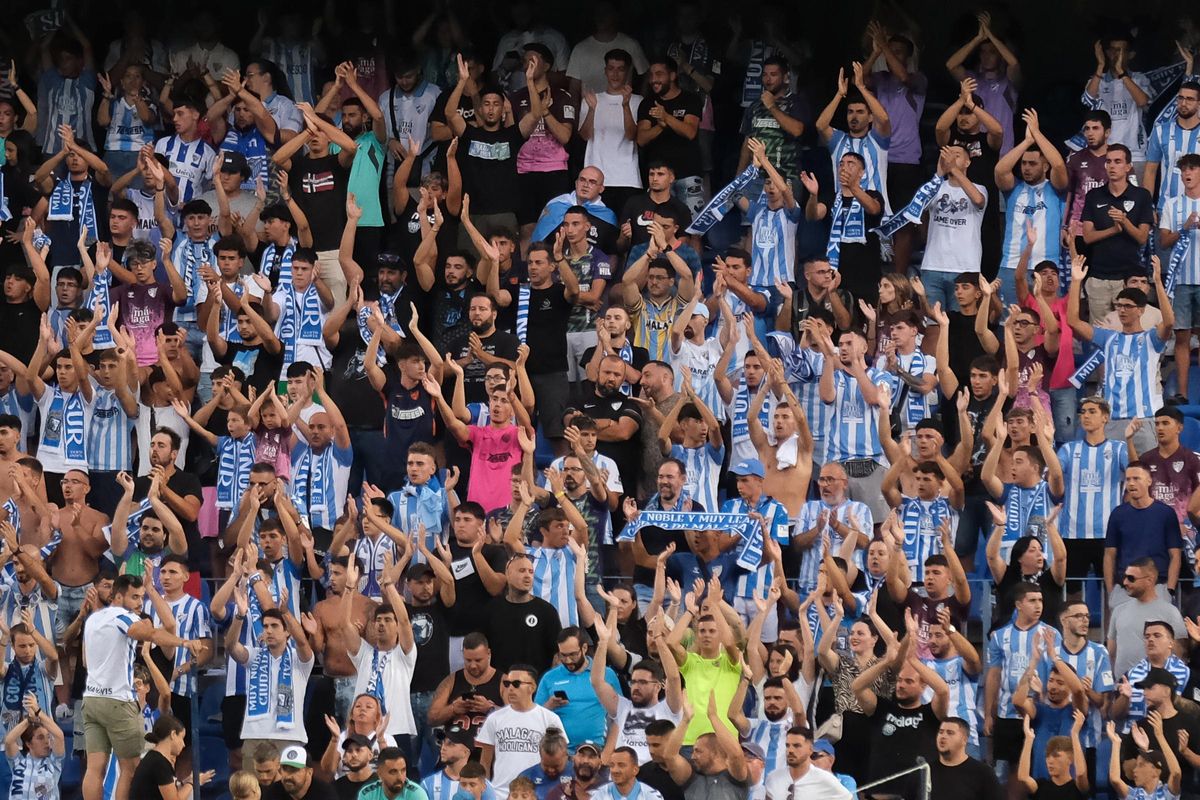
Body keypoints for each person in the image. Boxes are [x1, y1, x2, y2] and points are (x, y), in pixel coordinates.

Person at [81, 574, 202, 800]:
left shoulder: (94, 619)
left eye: (142, 597)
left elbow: (86, 661)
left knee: (94, 767)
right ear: (118, 596)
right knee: (131, 767)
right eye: (134, 597)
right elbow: (153, 634)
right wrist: (184, 642)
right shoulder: (122, 616)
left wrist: (145, 622)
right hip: (118, 701)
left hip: (91, 699)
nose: (139, 602)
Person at [1066, 255, 1172, 455]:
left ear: (1140, 311)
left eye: (1128, 306)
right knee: (1114, 481)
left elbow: (1169, 322)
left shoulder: (1151, 339)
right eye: (1119, 306)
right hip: (1113, 421)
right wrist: (1076, 281)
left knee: (1145, 479)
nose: (1122, 310)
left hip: (1144, 419)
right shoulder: (1108, 338)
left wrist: (1158, 282)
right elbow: (1073, 320)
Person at [1079, 146, 1155, 323]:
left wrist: (1124, 221)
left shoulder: (1141, 196)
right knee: (1099, 334)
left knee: (1129, 330)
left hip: (1128, 278)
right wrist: (1113, 230)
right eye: (1108, 161)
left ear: (1128, 166)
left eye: (1118, 161)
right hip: (1098, 277)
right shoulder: (1094, 195)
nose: (1112, 166)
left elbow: (1142, 237)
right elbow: (1088, 237)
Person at [476, 668, 566, 800]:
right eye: (507, 684)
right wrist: (486, 793)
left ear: (533, 687)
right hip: (500, 793)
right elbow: (485, 761)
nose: (510, 688)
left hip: (537, 793)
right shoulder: (494, 718)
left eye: (516, 684)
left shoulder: (550, 719)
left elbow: (561, 758)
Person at [1160, 153, 1200, 398]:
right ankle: (1182, 394)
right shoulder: (1171, 204)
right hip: (1182, 281)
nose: (1187, 173)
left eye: (1192, 168)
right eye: (1183, 169)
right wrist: (1183, 229)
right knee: (1182, 337)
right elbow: (1164, 241)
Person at [129, 715, 214, 800]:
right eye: (182, 738)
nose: (184, 744)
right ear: (173, 734)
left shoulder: (156, 759)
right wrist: (193, 782)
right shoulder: (159, 763)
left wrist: (187, 782)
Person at [762, 726, 850, 800]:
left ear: (810, 749)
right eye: (787, 745)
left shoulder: (825, 779)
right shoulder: (773, 778)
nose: (790, 750)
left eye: (797, 746)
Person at [1015, 713, 1089, 800]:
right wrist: (1028, 739)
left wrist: (1075, 734)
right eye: (1047, 756)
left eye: (1056, 756)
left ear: (1070, 758)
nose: (1050, 761)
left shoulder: (1077, 787)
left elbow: (1081, 774)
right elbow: (1023, 777)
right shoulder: (1041, 786)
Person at [927, 717, 1003, 800]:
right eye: (941, 732)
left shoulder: (983, 773)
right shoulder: (926, 772)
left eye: (950, 733)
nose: (943, 736)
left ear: (964, 739)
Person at [264, 745, 338, 800]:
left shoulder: (325, 794)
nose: (287, 776)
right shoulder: (273, 792)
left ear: (309, 772)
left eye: (294, 770)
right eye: (285, 769)